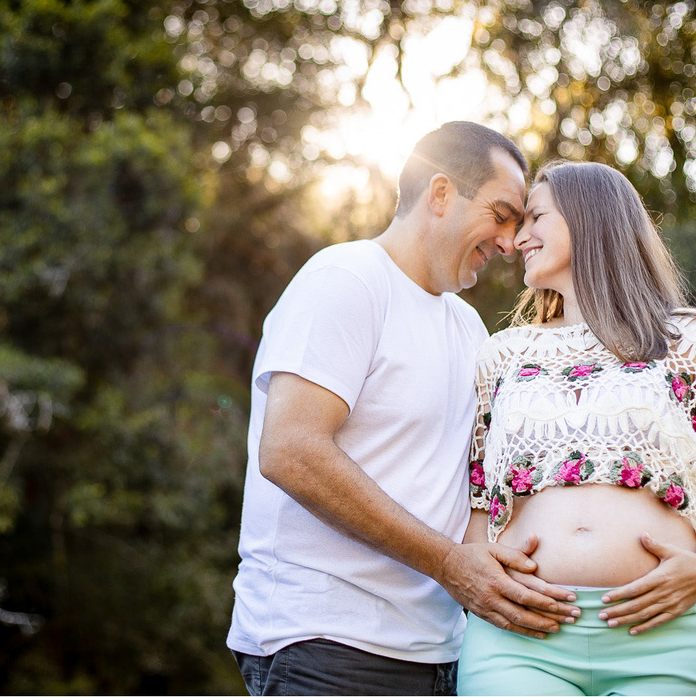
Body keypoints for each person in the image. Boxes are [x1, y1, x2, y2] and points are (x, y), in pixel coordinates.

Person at [227, 122, 583, 697]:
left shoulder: (468, 327)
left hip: (439, 654)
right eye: (501, 215)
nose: (510, 241)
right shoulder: (347, 279)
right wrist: (448, 563)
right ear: (440, 194)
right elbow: (290, 450)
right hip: (327, 647)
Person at [459, 160, 696, 696]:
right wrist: (486, 583)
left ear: (590, 218)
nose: (518, 239)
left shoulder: (687, 340)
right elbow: (479, 499)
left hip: (666, 639)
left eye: (536, 217)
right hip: (519, 641)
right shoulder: (501, 355)